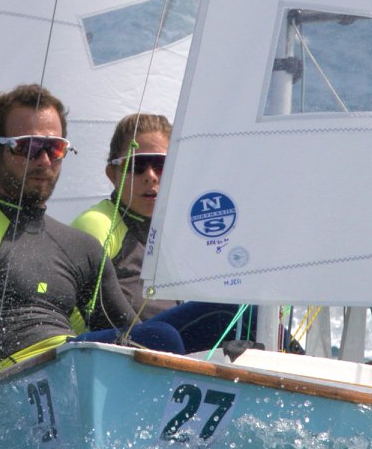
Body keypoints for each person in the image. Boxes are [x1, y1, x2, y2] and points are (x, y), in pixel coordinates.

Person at [0, 85, 183, 383]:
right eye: (28, 147)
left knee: (162, 338)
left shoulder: (81, 247)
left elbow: (139, 342)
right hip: (2, 384)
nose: (43, 161)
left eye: (54, 149)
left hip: (68, 373)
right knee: (163, 336)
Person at [71, 113, 256, 352]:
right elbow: (73, 311)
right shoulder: (97, 224)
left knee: (252, 313)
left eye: (161, 165)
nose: (151, 176)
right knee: (218, 314)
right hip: (111, 354)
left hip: (163, 349)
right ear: (112, 174)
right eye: (137, 166)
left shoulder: (183, 230)